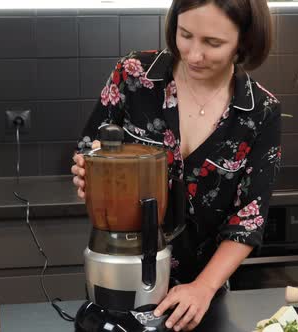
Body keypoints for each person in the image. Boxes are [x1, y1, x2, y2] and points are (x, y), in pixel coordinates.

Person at [72, 0, 281, 330]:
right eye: (185, 35)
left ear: (244, 40)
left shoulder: (261, 112)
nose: (194, 55)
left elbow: (249, 219)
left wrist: (203, 288)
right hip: (120, 280)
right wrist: (87, 173)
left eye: (213, 43)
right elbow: (88, 149)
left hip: (199, 297)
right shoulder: (133, 75)